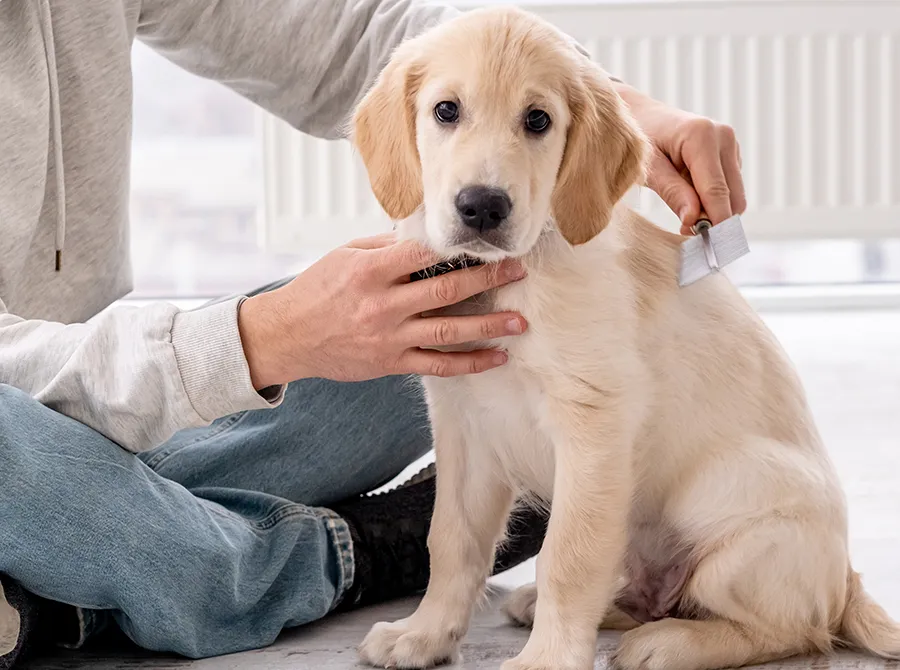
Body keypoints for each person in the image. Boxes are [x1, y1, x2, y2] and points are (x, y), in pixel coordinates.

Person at [0, 0, 746, 666]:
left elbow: (351, 38)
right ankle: (324, 556)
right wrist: (261, 339)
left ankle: (84, 549)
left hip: (86, 401)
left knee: (432, 330)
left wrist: (611, 107)